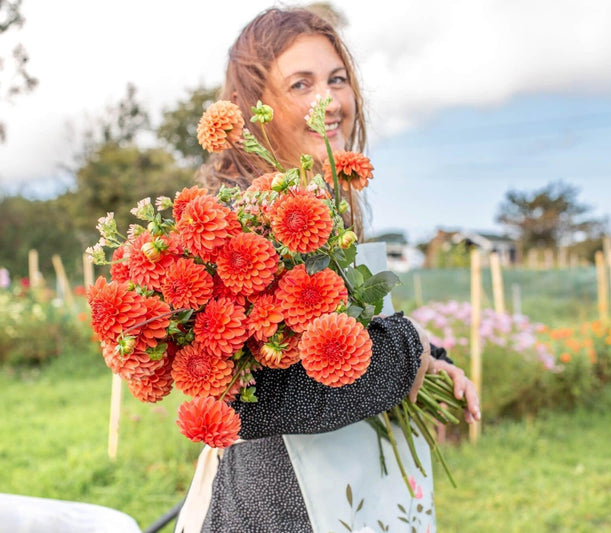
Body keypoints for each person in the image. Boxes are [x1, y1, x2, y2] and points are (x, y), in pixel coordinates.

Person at [176, 6, 480, 532]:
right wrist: (407, 354)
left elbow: (359, 321)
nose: (330, 101)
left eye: (337, 79)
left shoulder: (327, 201)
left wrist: (430, 355)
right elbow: (258, 402)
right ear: (256, 105)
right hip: (285, 507)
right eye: (301, 83)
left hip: (359, 491)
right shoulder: (237, 224)